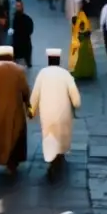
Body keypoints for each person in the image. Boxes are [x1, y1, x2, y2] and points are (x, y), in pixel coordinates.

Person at [30, 47, 82, 180]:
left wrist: (31, 110)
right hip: (63, 113)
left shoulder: (42, 73)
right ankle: (59, 156)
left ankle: (51, 160)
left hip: (46, 113)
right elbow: (76, 99)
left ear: (48, 60)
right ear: (59, 60)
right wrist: (76, 105)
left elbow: (35, 95)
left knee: (49, 136)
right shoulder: (65, 74)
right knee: (62, 135)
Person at [0, 46, 32, 176]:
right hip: (16, 110)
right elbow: (26, 91)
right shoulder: (19, 70)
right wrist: (29, 107)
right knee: (15, 133)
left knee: (1, 134)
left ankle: (4, 158)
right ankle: (13, 162)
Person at [69, 12, 96, 80]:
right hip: (85, 48)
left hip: (81, 48)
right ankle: (87, 73)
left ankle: (81, 73)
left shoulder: (76, 31)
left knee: (80, 60)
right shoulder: (85, 32)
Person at [11, 0, 35, 68]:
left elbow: (30, 31)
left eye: (19, 6)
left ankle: (27, 61)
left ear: (22, 7)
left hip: (23, 41)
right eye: (17, 6)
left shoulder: (27, 19)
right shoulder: (13, 19)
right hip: (18, 41)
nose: (18, 8)